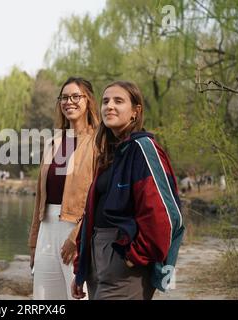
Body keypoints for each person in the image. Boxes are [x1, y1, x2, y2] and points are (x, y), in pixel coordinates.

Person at [72, 81, 184, 300]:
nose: (109, 106)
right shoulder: (111, 155)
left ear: (135, 111)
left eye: (118, 101)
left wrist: (136, 256)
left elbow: (167, 216)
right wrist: (81, 270)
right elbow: (92, 216)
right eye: (105, 101)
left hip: (126, 267)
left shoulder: (144, 149)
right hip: (98, 261)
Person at [28, 77, 100, 299]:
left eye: (76, 96)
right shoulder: (55, 141)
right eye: (64, 97)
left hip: (76, 228)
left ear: (88, 100)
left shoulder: (99, 141)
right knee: (43, 298)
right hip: (46, 230)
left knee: (78, 295)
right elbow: (40, 196)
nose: (69, 102)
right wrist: (33, 243)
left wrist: (76, 237)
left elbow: (99, 195)